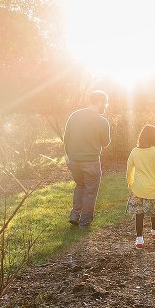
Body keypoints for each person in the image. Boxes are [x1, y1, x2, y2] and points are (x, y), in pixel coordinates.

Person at [63, 90, 111, 229]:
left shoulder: (74, 116)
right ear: (100, 102)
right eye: (105, 103)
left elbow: (66, 138)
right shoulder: (102, 121)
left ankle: (74, 216)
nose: (106, 106)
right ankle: (84, 223)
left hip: (74, 161)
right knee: (90, 191)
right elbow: (105, 142)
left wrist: (68, 156)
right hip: (91, 162)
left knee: (80, 186)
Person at [126, 124, 155, 249]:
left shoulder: (135, 151)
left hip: (138, 188)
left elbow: (129, 169)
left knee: (139, 213)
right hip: (153, 188)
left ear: (141, 137)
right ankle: (154, 232)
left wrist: (130, 184)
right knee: (153, 211)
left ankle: (139, 239)